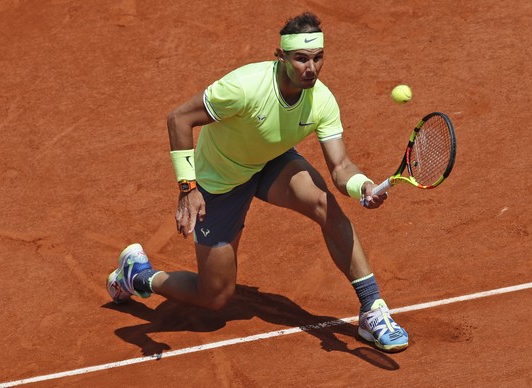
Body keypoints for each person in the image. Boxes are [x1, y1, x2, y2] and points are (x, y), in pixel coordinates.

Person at [107, 12, 408, 353]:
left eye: (317, 58)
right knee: (215, 298)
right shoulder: (244, 87)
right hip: (219, 181)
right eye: (301, 58)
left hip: (269, 163)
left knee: (326, 204)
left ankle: (372, 309)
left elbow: (340, 166)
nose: (310, 68)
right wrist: (188, 189)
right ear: (280, 57)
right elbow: (179, 118)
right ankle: (139, 276)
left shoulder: (321, 100)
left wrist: (362, 186)